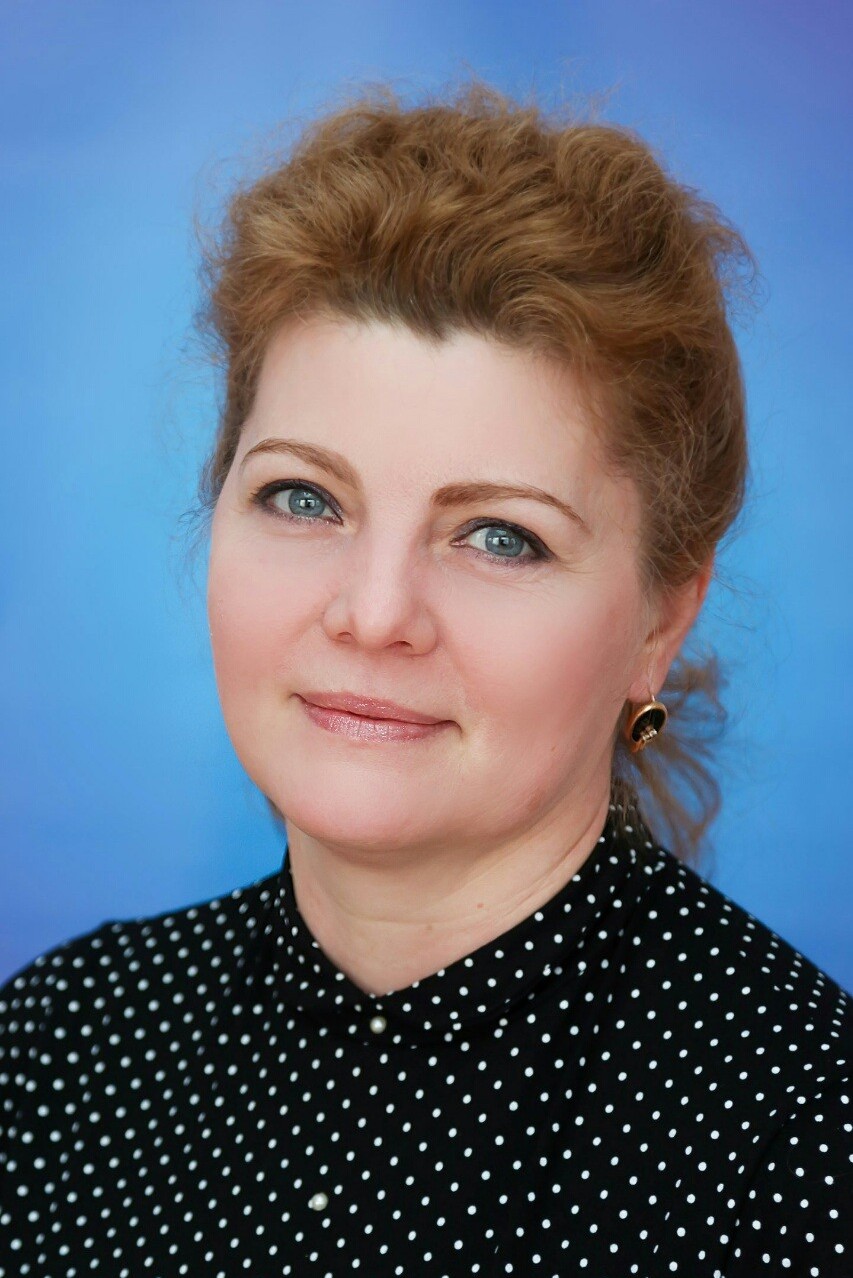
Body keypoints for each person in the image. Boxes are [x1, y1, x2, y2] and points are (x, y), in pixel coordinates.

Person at [1, 77, 850, 1278]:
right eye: (304, 498)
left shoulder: (808, 1144)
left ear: (661, 619)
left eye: (500, 536)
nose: (374, 614)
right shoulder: (59, 1049)